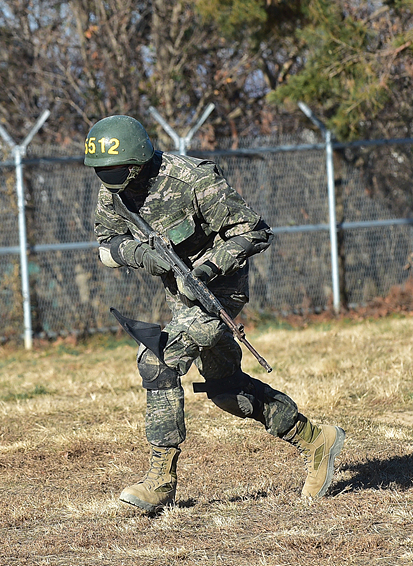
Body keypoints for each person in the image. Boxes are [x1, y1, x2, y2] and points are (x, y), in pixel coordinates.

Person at [85, 114, 345, 512]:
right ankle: (316, 440)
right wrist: (140, 254)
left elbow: (253, 230)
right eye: (101, 170)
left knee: (159, 359)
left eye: (115, 168)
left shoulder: (192, 180)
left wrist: (204, 270)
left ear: (138, 161)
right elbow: (106, 246)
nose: (107, 176)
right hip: (181, 297)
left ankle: (159, 482)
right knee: (227, 392)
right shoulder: (113, 192)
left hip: (220, 289)